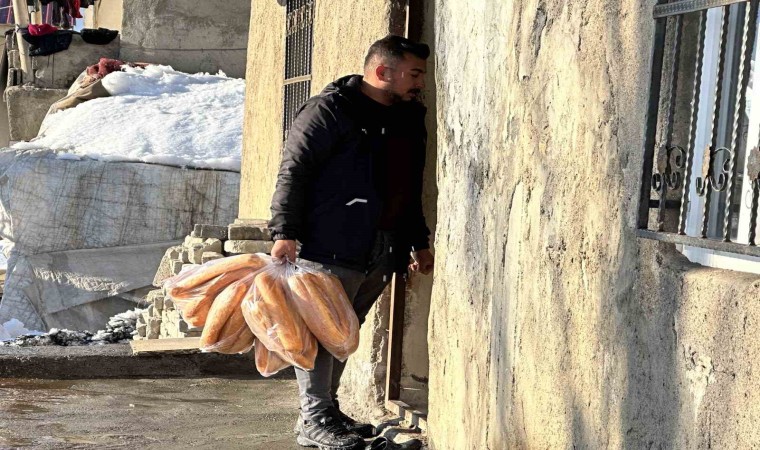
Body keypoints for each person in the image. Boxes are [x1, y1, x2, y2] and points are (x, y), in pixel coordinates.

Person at [269, 34, 434, 450]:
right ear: (382, 71)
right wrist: (284, 232)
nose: (421, 83)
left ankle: (324, 412)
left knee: (343, 334)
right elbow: (294, 170)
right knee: (318, 333)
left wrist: (418, 240)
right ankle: (315, 418)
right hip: (330, 243)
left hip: (382, 248)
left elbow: (409, 185)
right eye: (414, 74)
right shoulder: (329, 110)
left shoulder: (409, 117)